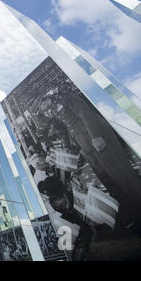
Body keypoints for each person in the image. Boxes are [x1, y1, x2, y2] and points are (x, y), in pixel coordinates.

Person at [39, 93, 141, 232]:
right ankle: (132, 213)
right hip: (88, 148)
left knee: (123, 176)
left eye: (43, 106)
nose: (44, 111)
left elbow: (86, 114)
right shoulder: (57, 112)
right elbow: (70, 129)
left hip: (99, 141)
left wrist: (96, 135)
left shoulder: (66, 98)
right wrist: (76, 147)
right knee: (109, 182)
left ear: (46, 99)